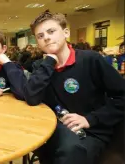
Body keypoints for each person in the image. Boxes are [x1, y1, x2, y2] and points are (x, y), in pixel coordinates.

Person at [25, 10, 125, 164]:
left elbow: (121, 97)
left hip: (90, 131)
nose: (46, 37)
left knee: (71, 153)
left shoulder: (91, 60)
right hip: (54, 131)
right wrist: (50, 62)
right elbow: (31, 97)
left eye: (51, 31)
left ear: (66, 33)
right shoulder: (41, 67)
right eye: (40, 36)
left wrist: (89, 119)